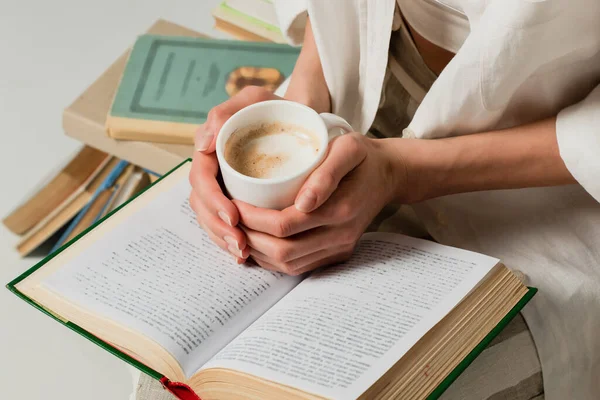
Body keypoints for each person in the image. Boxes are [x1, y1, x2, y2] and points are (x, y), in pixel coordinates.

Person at [172, 1, 600, 399]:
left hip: (549, 170)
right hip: (362, 78)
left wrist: (402, 171)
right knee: (173, 374)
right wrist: (302, 102)